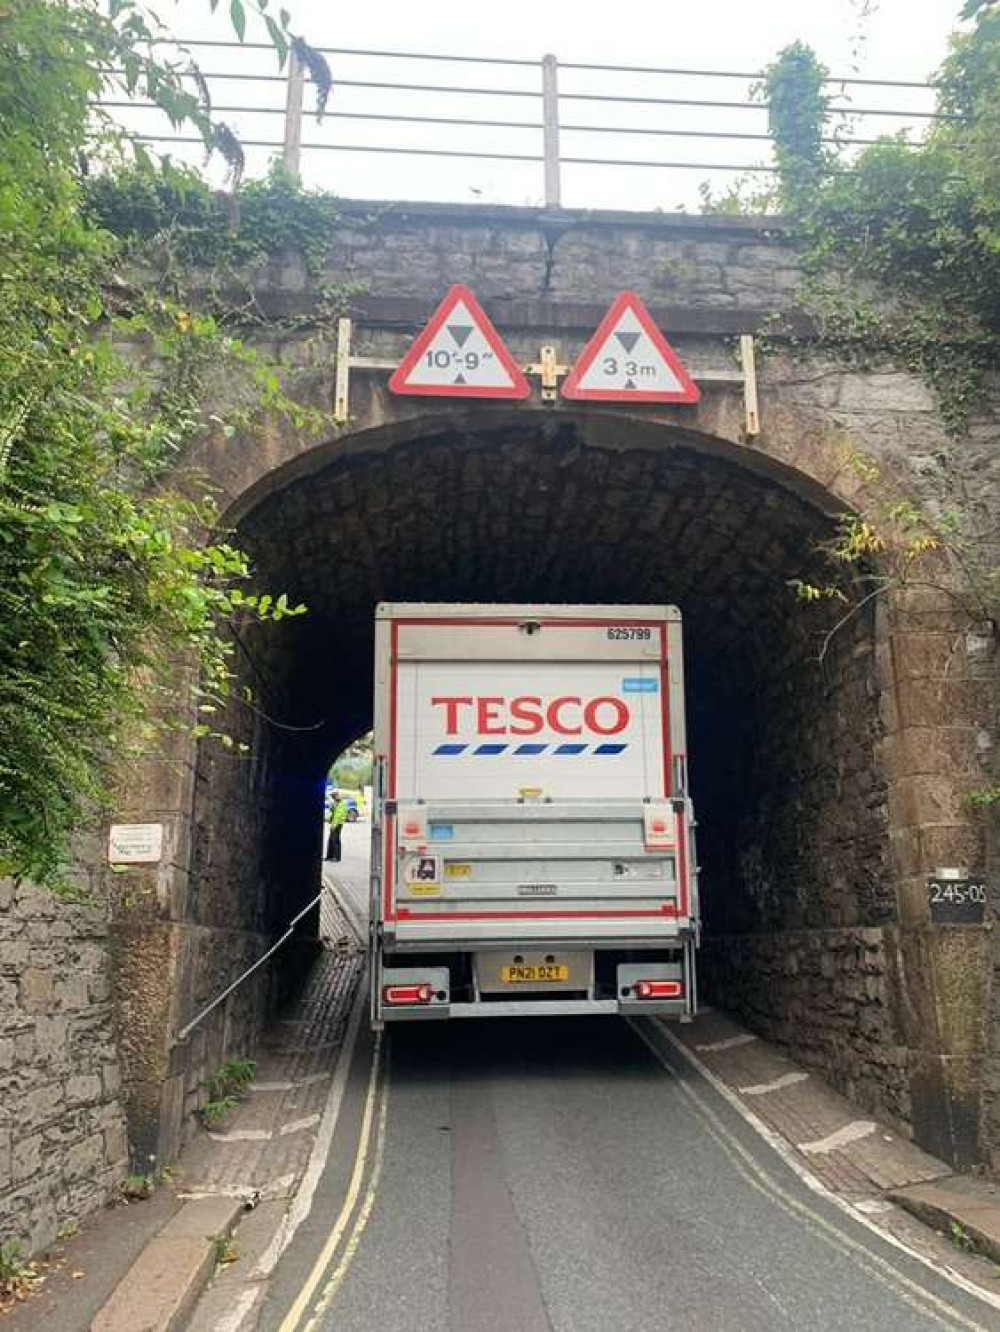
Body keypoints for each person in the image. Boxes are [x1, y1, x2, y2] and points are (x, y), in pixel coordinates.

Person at [325, 789, 349, 862]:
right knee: (331, 840)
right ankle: (329, 856)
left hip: (337, 824)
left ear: (336, 796)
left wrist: (334, 825)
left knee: (335, 840)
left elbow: (338, 816)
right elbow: (333, 812)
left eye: (333, 796)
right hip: (335, 823)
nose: (332, 798)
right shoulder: (336, 803)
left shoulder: (341, 804)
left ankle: (336, 857)